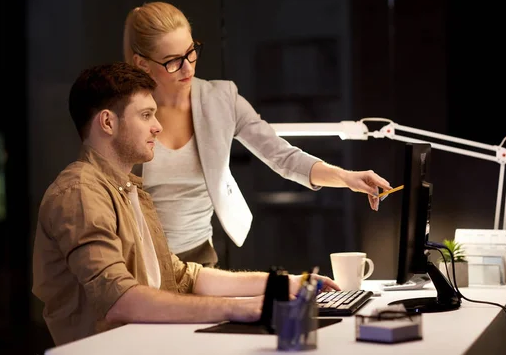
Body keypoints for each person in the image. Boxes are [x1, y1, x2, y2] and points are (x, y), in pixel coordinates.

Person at [31, 62, 339, 346]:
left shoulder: (130, 191)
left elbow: (181, 276)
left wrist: (283, 284)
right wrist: (240, 309)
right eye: (145, 115)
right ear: (108, 122)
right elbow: (119, 300)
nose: (158, 127)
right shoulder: (81, 193)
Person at [123, 1, 394, 267]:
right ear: (142, 63)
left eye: (191, 52)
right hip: (141, 263)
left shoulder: (220, 99)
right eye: (173, 61)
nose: (188, 68)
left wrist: (347, 178)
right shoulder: (124, 111)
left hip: (200, 260)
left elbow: (282, 156)